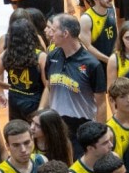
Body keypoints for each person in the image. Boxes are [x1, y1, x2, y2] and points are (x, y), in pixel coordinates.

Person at [42, 14, 108, 144]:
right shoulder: (52, 56)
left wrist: (100, 135)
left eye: (54, 30)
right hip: (56, 126)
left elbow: (101, 103)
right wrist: (40, 114)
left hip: (82, 128)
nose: (50, 34)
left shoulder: (91, 64)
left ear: (65, 33)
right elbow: (49, 88)